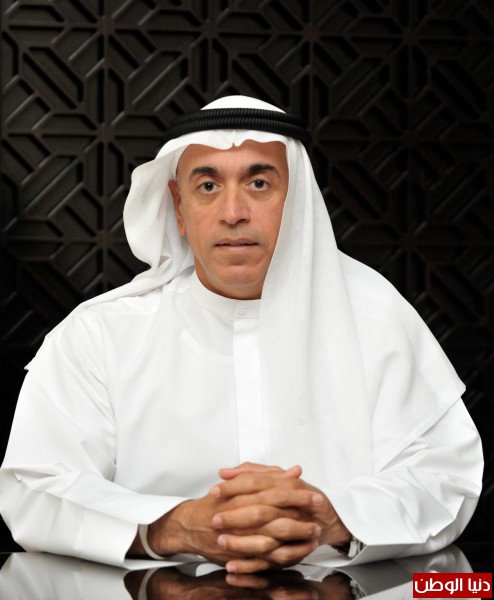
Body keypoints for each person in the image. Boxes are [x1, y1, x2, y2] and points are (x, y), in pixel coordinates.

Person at [0, 96, 483, 573]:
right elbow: (35, 488)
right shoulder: (99, 335)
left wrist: (331, 517)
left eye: (258, 183)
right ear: (179, 208)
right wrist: (172, 526)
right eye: (208, 185)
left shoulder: (377, 318)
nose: (233, 212)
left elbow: (445, 475)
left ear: (296, 202)